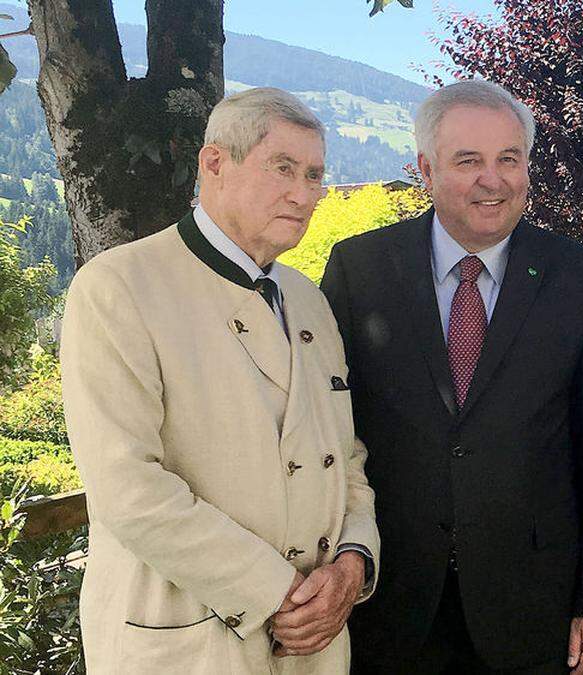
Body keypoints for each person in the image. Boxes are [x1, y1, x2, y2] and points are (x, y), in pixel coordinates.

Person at [60, 87, 380, 674]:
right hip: (185, 643)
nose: (303, 194)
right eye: (282, 168)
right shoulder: (118, 288)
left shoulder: (310, 301)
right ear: (214, 164)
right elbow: (127, 487)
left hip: (314, 646)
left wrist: (355, 561)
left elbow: (346, 457)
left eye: (313, 175)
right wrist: (277, 591)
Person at [321, 79, 583, 675]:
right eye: (469, 161)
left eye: (509, 159)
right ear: (425, 169)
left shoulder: (581, 277)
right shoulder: (360, 270)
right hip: (390, 600)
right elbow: (328, 433)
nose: (494, 179)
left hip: (534, 606)